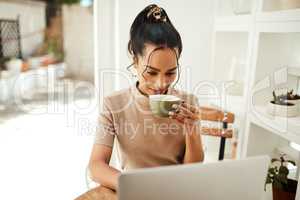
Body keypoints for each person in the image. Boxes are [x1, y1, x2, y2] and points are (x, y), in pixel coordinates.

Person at [88, 4, 204, 191]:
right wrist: (137, 187)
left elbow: (193, 170)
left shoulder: (188, 104)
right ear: (135, 61)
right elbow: (95, 166)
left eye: (170, 73)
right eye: (152, 72)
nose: (161, 84)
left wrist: (192, 132)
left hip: (175, 192)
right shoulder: (113, 104)